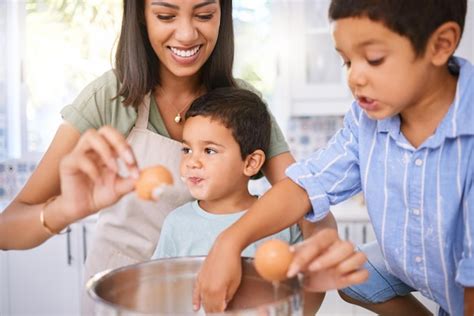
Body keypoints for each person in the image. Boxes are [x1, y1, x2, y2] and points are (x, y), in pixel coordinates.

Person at [0, 0, 344, 313]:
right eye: (166, 15)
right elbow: (7, 228)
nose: (186, 33)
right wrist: (66, 210)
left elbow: (306, 203)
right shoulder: (110, 98)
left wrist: (301, 292)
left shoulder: (242, 106)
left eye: (205, 14)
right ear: (141, 17)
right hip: (123, 300)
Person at [194, 0, 474, 315]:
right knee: (356, 279)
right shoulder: (367, 122)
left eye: (374, 59)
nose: (354, 78)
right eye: (347, 62)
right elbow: (304, 184)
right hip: (435, 280)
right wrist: (230, 241)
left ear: (441, 45)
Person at [152, 86, 331, 314]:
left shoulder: (281, 222)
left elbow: (313, 285)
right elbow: (161, 292)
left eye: (209, 151)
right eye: (187, 149)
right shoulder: (176, 224)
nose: (192, 162)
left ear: (250, 163)